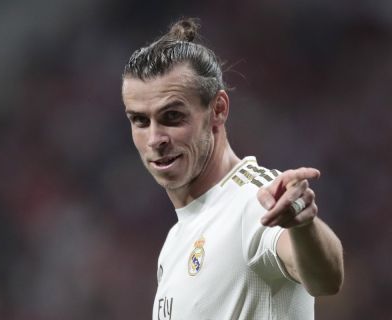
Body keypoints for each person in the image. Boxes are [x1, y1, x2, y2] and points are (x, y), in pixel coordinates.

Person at [121, 18, 344, 320]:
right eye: (140, 121)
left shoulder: (255, 200)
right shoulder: (176, 240)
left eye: (172, 116)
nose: (155, 139)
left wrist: (304, 227)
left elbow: (325, 280)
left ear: (218, 110)